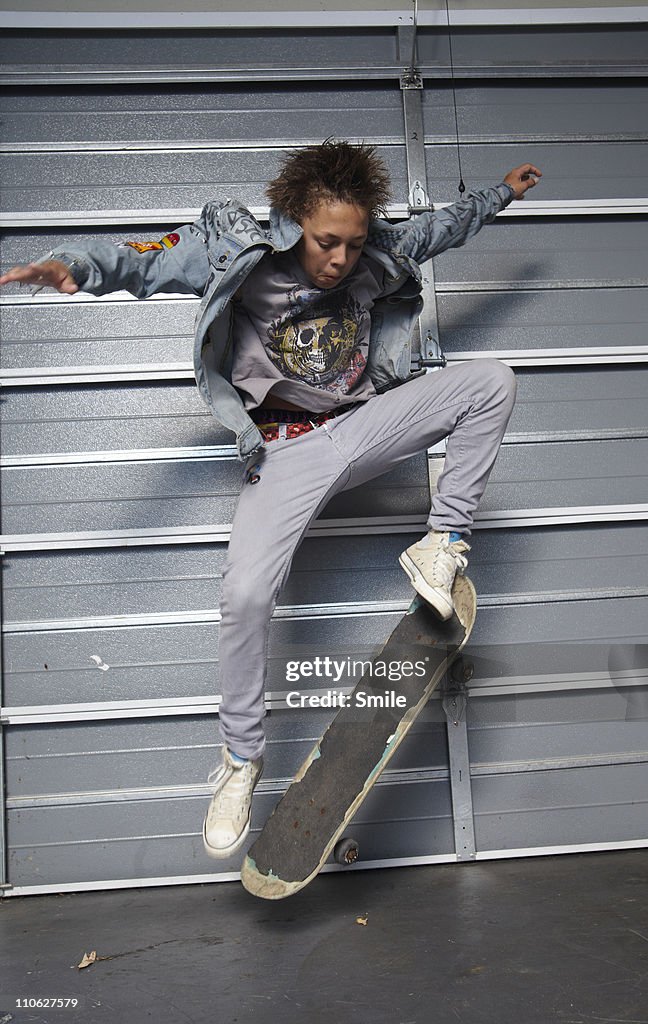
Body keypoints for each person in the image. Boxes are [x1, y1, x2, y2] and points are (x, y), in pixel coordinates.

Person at [0, 140, 541, 860]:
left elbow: (439, 228)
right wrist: (75, 265)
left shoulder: (375, 249)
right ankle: (240, 760)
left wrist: (498, 194)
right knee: (246, 596)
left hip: (358, 427)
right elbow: (144, 257)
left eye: (351, 245)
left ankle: (439, 546)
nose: (340, 261)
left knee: (491, 382)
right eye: (325, 243)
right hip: (283, 451)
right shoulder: (236, 250)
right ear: (294, 221)